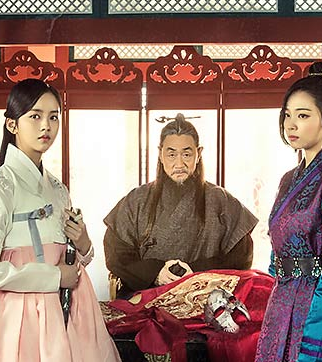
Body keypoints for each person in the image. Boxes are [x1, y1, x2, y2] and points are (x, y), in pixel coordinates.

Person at [0, 79, 121, 362]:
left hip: (68, 311)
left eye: (53, 117)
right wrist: (54, 277)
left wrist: (83, 244)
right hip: (18, 316)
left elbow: (70, 259)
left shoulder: (57, 188)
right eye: (35, 116)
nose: (46, 126)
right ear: (12, 124)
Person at [254, 60, 322, 362]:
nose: (291, 125)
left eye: (303, 115)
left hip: (314, 311)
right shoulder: (288, 179)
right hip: (280, 307)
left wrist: (313, 343)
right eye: (287, 115)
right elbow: (276, 254)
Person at [104, 113, 258, 299]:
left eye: (186, 154)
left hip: (204, 298)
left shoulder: (221, 201)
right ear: (160, 154)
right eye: (171, 154)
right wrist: (155, 273)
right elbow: (116, 255)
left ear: (198, 154)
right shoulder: (137, 200)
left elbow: (241, 257)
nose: (179, 163)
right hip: (147, 296)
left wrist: (196, 273)